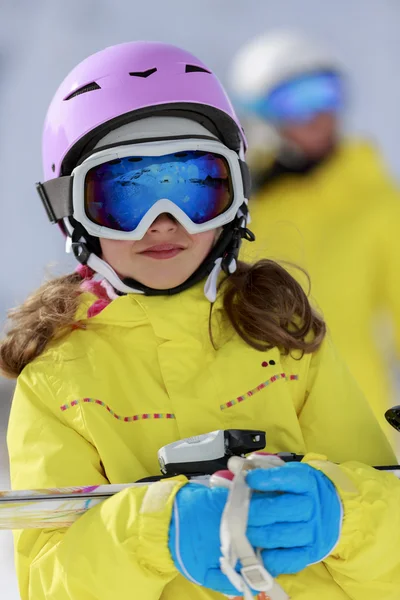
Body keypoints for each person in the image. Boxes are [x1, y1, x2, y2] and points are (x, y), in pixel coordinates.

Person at [0, 41, 399, 600]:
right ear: (73, 211)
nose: (165, 223)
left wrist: (346, 516)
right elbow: (48, 584)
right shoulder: (59, 380)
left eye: (194, 187)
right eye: (126, 196)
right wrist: (153, 534)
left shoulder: (283, 337)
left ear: (234, 199)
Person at [230, 31, 400, 437]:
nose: (319, 114)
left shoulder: (374, 199)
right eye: (297, 101)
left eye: (328, 94)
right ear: (261, 113)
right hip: (257, 416)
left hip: (354, 416)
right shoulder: (241, 201)